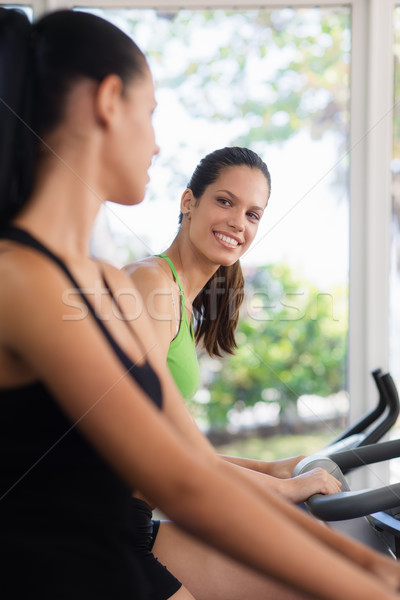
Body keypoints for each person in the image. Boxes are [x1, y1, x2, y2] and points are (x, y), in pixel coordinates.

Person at [0, 7, 400, 600]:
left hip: (116, 547)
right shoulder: (22, 279)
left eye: (253, 213)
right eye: (153, 114)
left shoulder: (100, 281)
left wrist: (365, 565)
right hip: (69, 574)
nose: (159, 144)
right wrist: (366, 580)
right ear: (110, 100)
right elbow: (181, 482)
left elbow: (185, 455)